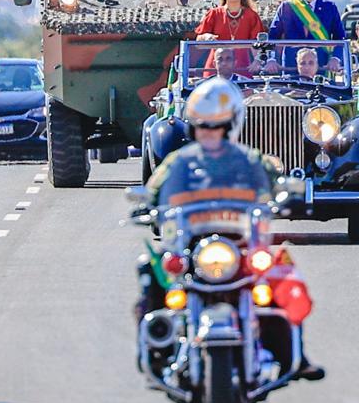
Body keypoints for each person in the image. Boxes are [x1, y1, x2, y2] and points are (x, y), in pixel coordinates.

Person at [138, 77, 324, 380]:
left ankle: (295, 355)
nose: (210, 133)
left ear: (232, 125)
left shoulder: (251, 161)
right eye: (203, 126)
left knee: (283, 270)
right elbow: (153, 192)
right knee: (150, 268)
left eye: (218, 126)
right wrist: (144, 204)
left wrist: (291, 192)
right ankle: (155, 347)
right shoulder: (177, 162)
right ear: (192, 127)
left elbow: (277, 184)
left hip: (242, 245)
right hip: (191, 247)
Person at [195, 0, 266, 43]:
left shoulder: (252, 16)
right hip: (218, 54)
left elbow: (258, 43)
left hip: (243, 55)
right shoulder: (214, 14)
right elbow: (198, 39)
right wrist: (206, 37)